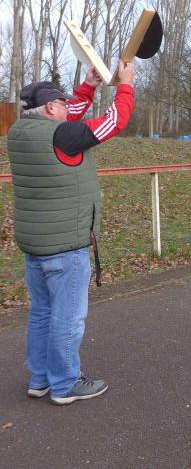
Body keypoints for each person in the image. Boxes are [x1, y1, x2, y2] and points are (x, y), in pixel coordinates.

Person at [8, 62, 136, 405]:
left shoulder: (19, 132)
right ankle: (65, 384)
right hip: (65, 246)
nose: (69, 108)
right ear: (51, 108)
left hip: (36, 244)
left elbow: (69, 115)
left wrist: (88, 86)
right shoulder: (63, 136)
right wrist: (125, 85)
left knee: (42, 312)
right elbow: (115, 121)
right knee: (67, 317)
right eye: (62, 104)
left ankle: (40, 379)